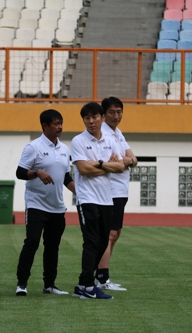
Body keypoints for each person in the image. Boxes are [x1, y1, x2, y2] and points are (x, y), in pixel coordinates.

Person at [15, 109, 76, 296]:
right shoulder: (33, 147)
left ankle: (49, 285)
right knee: (32, 242)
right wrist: (37, 173)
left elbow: (65, 177)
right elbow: (20, 173)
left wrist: (80, 192)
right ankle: (22, 284)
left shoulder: (65, 149)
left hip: (57, 207)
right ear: (44, 126)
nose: (60, 127)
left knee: (52, 246)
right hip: (36, 205)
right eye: (56, 124)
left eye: (61, 123)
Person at [70, 102, 125, 300]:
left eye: (95, 117)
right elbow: (83, 169)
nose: (91, 121)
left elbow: (121, 167)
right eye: (87, 118)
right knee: (91, 242)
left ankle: (83, 284)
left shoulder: (110, 142)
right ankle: (87, 285)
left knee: (102, 243)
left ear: (102, 118)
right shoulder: (78, 141)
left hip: (106, 199)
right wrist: (107, 164)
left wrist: (99, 164)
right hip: (87, 199)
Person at [96, 97, 137, 292]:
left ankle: (101, 276)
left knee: (115, 233)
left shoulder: (117, 133)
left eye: (119, 112)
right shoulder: (103, 135)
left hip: (121, 190)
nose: (116, 116)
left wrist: (125, 160)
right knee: (109, 235)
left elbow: (132, 159)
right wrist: (125, 161)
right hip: (110, 191)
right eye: (112, 112)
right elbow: (117, 164)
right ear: (104, 115)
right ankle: (102, 277)